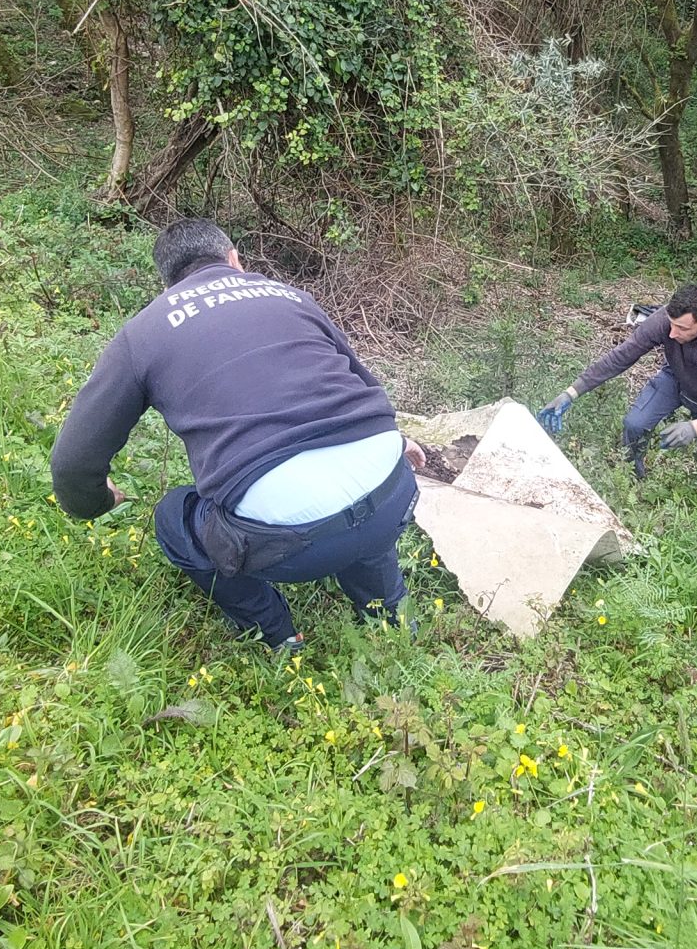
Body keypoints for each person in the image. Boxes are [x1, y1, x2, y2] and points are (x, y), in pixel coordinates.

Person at [49, 219, 424, 654]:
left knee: (174, 515)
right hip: (392, 495)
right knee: (360, 500)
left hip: (290, 545)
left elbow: (72, 463)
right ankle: (389, 619)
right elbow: (357, 381)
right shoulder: (293, 298)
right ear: (234, 259)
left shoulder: (143, 333)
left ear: (168, 282)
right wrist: (395, 438)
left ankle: (278, 635)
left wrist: (93, 502)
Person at [533, 284, 697, 479]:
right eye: (671, 324)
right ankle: (632, 473)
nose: (671, 333)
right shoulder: (666, 319)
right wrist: (571, 392)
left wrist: (695, 427)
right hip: (677, 377)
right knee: (635, 424)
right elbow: (623, 355)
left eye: (682, 328)